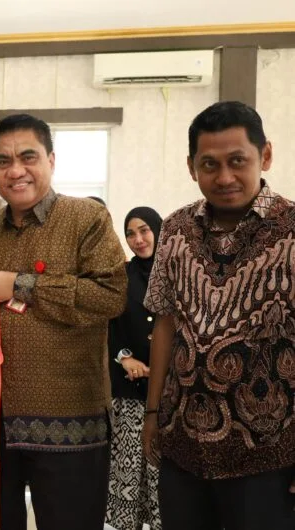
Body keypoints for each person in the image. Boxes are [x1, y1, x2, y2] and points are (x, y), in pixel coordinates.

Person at [0, 114, 127, 530]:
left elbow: (111, 295)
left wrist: (21, 285)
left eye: (28, 157)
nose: (15, 171)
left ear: (51, 160)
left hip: (70, 424)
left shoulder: (86, 219)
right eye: (3, 161)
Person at [142, 101, 295, 530]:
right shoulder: (175, 229)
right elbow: (165, 323)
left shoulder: (291, 228)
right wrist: (152, 415)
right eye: (209, 164)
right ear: (192, 167)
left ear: (265, 155)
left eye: (237, 161)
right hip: (183, 447)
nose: (224, 177)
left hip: (269, 454)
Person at [106, 207, 163, 530]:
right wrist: (124, 357)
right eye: (130, 233)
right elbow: (108, 325)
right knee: (128, 470)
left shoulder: (174, 273)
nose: (138, 239)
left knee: (161, 473)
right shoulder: (122, 277)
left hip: (167, 394)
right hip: (129, 390)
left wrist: (162, 367)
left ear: (158, 230)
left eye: (144, 230)